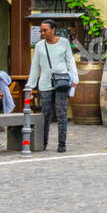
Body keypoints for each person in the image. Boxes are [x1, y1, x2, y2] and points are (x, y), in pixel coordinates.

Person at [26, 20, 79, 153]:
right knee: (46, 113)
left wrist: (75, 80)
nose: (42, 33)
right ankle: (43, 142)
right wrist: (30, 86)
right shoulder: (39, 46)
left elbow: (70, 62)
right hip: (45, 84)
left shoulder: (64, 43)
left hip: (61, 82)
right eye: (41, 30)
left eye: (45, 30)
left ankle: (62, 144)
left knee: (61, 113)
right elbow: (35, 66)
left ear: (53, 30)